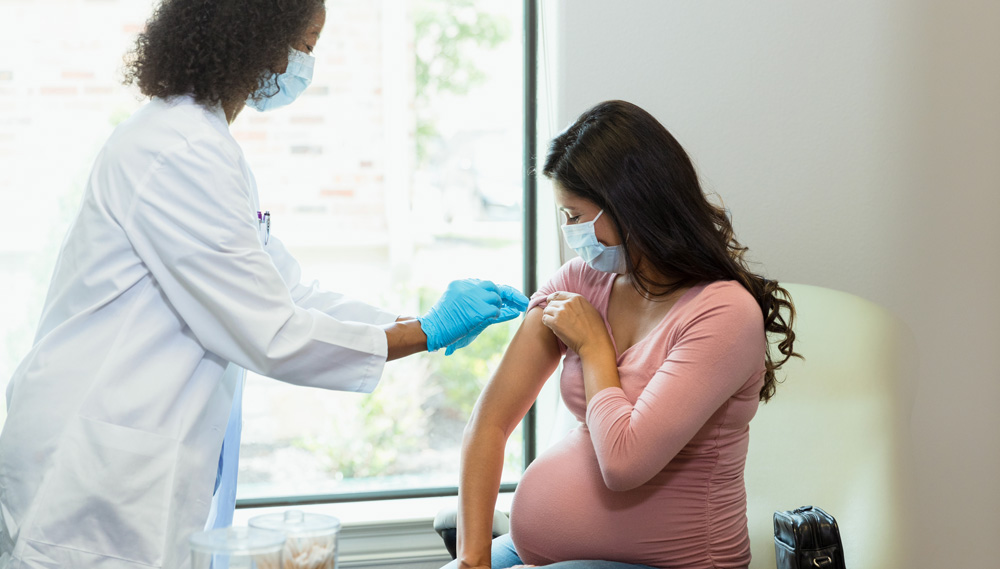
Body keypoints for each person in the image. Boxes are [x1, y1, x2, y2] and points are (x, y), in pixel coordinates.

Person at [0, 1, 527, 568]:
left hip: (126, 466)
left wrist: (412, 319)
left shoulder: (204, 144)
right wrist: (425, 332)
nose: (306, 63)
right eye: (306, 44)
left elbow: (289, 292)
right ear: (256, 37)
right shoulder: (179, 149)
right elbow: (271, 332)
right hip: (87, 479)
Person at [447, 100, 800, 569]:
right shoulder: (578, 282)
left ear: (631, 206)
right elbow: (488, 423)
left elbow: (624, 463)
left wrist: (594, 346)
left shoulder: (724, 313)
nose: (569, 232)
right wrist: (472, 561)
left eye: (575, 216)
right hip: (538, 553)